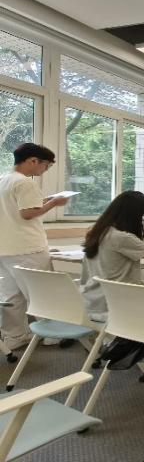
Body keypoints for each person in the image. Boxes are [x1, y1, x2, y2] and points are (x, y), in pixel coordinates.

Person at [0, 143, 68, 349]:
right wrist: (54, 203)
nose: (45, 170)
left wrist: (47, 199)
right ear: (33, 160)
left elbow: (19, 206)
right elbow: (27, 213)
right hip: (28, 248)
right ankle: (53, 335)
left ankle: (14, 337)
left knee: (11, 296)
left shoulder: (4, 179)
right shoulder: (25, 183)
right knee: (42, 293)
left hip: (5, 249)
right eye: (46, 165)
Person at [80, 191, 144, 321]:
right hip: (113, 307)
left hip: (90, 303)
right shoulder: (122, 238)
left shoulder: (95, 231)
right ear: (133, 216)